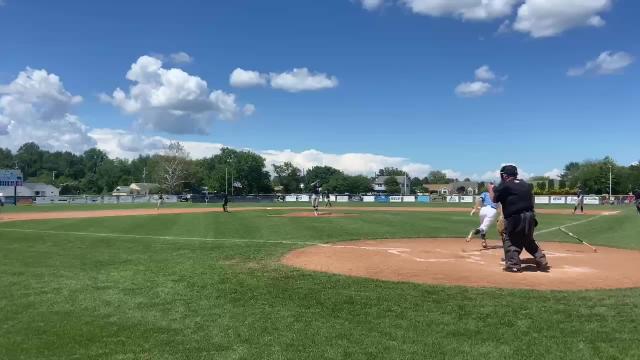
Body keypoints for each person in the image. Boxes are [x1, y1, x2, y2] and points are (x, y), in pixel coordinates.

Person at [490, 165, 549, 273]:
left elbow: (494, 199)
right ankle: (541, 260)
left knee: (510, 240)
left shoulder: (505, 185)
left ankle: (513, 265)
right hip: (530, 216)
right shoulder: (526, 185)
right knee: (528, 240)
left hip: (515, 217)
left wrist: (491, 189)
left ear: (505, 175)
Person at [467, 184, 500, 249]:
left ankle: (483, 241)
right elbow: (500, 208)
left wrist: (475, 209)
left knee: (483, 226)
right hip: (492, 211)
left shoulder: (484, 193)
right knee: (483, 228)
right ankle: (473, 232)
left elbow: (479, 201)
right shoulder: (498, 196)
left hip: (483, 210)